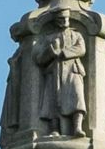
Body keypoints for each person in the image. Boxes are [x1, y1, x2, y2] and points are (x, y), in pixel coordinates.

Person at [36, 9, 87, 138]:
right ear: (56, 21)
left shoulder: (76, 35)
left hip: (73, 71)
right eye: (61, 19)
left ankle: (77, 127)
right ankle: (55, 129)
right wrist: (51, 52)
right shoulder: (49, 38)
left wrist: (63, 52)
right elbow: (39, 59)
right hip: (54, 72)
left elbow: (81, 49)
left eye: (66, 19)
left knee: (77, 97)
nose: (64, 22)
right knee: (53, 101)